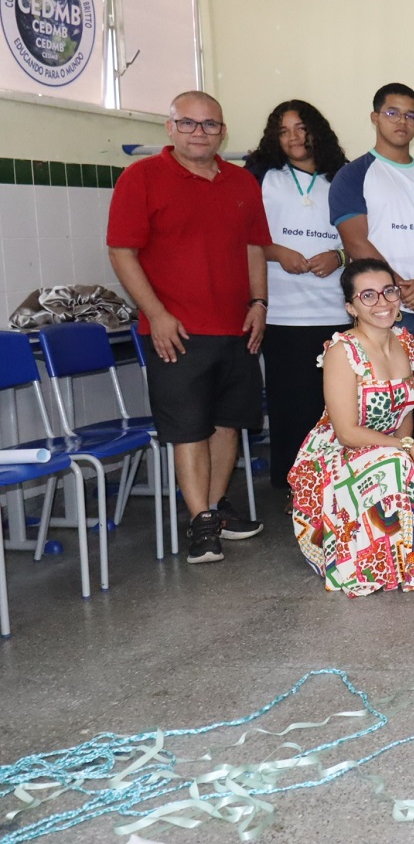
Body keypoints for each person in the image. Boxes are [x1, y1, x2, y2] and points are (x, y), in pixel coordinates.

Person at [107, 90, 269, 565]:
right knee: (189, 429)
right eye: (190, 123)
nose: (201, 133)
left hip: (237, 327)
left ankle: (214, 511)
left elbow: (254, 247)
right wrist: (156, 314)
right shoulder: (142, 178)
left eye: (211, 125)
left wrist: (259, 302)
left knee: (227, 425)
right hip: (175, 330)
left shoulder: (241, 182)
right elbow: (122, 252)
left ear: (223, 131)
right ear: (170, 127)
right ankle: (200, 522)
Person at [287, 259, 414, 595]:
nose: (382, 302)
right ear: (351, 306)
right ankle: (365, 562)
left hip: (385, 450)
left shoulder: (403, 342)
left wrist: (408, 450)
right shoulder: (341, 351)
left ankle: (399, 560)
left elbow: (404, 413)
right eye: (368, 296)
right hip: (333, 456)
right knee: (397, 464)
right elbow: (347, 432)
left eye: (388, 291)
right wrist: (408, 448)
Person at [328, 83, 414, 441]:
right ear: (375, 117)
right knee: (382, 404)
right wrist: (401, 291)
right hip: (381, 311)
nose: (402, 121)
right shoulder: (353, 175)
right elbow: (356, 241)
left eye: (410, 114)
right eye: (392, 112)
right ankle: (393, 479)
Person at [244, 99, 350, 511]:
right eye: (284, 130)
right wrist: (275, 252)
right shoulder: (262, 178)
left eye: (301, 128)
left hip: (334, 311)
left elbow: (360, 235)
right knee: (291, 404)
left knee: (335, 404)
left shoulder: (340, 178)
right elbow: (247, 236)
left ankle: (336, 484)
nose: (294, 137)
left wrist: (338, 257)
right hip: (284, 313)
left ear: (316, 130)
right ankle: (295, 487)